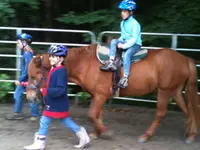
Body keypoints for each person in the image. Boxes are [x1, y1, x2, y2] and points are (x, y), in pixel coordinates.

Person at [24, 44, 90, 150]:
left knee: (44, 121)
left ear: (61, 58)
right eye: (50, 56)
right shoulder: (54, 69)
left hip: (56, 103)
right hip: (56, 102)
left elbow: (61, 89)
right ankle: (82, 135)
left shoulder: (60, 71)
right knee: (65, 121)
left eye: (54, 56)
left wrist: (44, 90)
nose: (51, 58)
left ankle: (40, 144)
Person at [100, 0, 142, 88]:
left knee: (127, 55)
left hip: (135, 45)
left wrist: (123, 46)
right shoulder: (122, 23)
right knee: (113, 41)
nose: (122, 13)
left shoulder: (135, 24)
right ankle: (111, 62)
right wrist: (118, 43)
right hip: (126, 42)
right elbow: (123, 36)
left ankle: (125, 78)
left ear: (130, 12)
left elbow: (134, 39)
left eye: (125, 11)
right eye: (122, 11)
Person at [5, 33, 40, 121]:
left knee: (31, 97)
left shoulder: (27, 54)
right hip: (25, 79)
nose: (17, 44)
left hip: (30, 79)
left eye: (18, 43)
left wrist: (19, 80)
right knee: (17, 94)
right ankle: (17, 113)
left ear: (24, 42)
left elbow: (27, 69)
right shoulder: (26, 53)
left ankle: (35, 115)